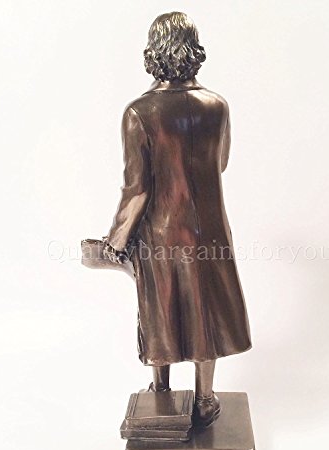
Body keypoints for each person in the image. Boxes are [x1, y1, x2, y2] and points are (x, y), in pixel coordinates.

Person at [105, 12, 252, 427]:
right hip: (210, 226)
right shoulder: (216, 106)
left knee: (161, 308)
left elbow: (137, 187)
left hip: (160, 229)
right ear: (194, 50)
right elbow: (220, 163)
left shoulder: (139, 112)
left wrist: (117, 238)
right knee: (206, 310)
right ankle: (205, 398)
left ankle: (161, 390)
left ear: (153, 52)